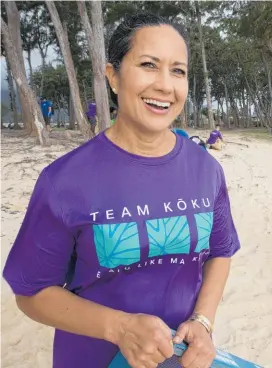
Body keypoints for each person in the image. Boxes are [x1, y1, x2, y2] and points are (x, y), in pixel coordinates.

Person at [2, 13, 241, 368]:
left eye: (178, 71)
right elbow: (31, 292)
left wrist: (203, 322)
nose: (165, 85)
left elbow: (220, 252)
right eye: (148, 65)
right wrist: (119, 328)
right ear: (113, 76)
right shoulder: (64, 181)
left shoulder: (206, 169)